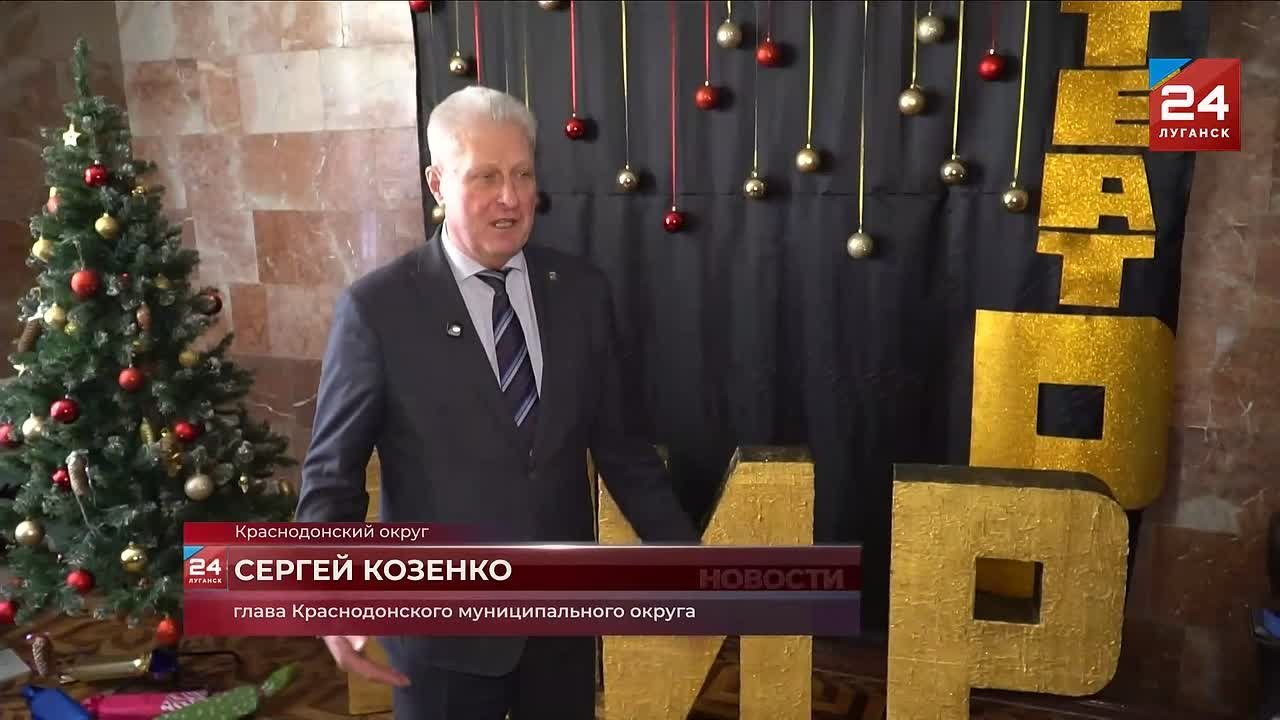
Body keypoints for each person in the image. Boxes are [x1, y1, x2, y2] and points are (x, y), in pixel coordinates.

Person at [294, 85, 699, 719]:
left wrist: (687, 564)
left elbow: (624, 449)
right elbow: (330, 476)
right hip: (441, 639)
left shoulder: (582, 292)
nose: (510, 197)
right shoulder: (379, 310)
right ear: (437, 183)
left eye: (522, 174)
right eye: (485, 177)